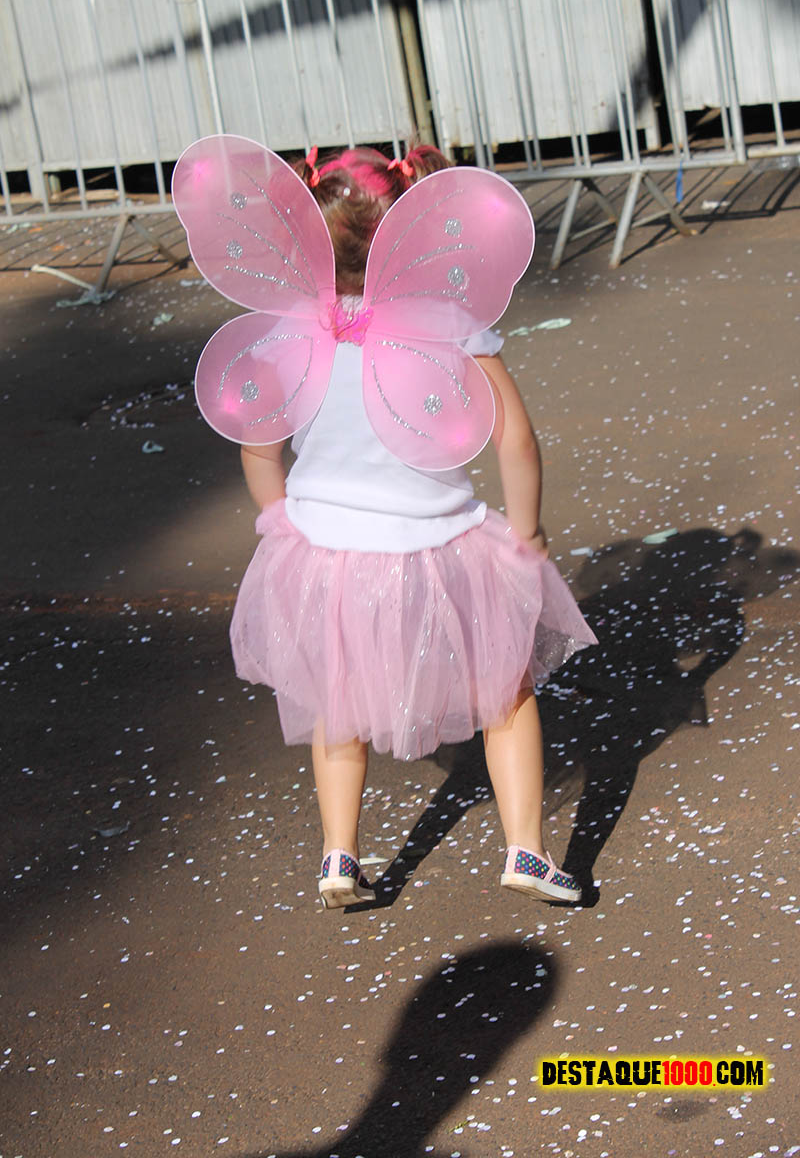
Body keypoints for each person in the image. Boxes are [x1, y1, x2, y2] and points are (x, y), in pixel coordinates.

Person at [202, 143, 597, 908]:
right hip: (438, 541)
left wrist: (279, 516)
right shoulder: (447, 320)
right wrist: (527, 531)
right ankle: (527, 850)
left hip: (326, 549)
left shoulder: (291, 326)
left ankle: (338, 857)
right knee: (506, 687)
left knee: (336, 700)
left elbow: (259, 445)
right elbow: (515, 439)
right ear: (410, 229)